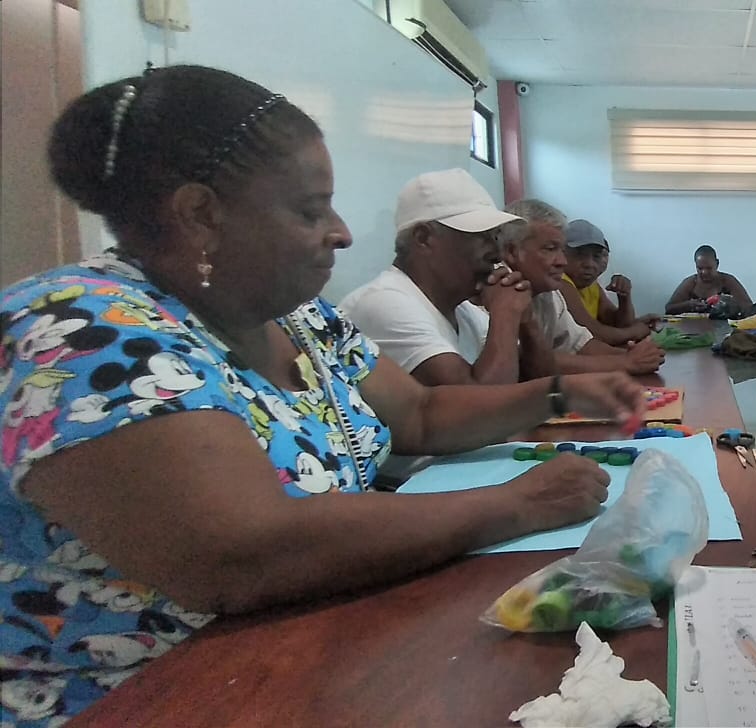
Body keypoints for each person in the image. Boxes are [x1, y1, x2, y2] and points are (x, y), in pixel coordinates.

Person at [0, 65, 646, 724]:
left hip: (311, 654)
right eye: (311, 210)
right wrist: (517, 502)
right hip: (143, 699)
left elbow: (421, 414)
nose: (341, 232)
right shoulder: (82, 330)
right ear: (200, 215)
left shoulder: (297, 316)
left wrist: (563, 394)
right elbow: (246, 555)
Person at [341, 169, 554, 387]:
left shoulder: (464, 312)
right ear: (423, 238)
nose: (497, 253)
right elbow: (478, 403)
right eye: (481, 236)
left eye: (496, 237)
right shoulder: (384, 303)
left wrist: (527, 322)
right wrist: (506, 313)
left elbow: (545, 387)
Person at [505, 199, 664, 375]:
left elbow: (581, 344)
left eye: (561, 250)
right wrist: (625, 361)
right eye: (550, 249)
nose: (562, 262)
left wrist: (633, 356)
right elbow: (527, 360)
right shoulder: (500, 290)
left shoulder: (548, 292)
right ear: (512, 251)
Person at [557, 219, 660, 346]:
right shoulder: (561, 283)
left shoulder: (592, 286)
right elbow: (594, 334)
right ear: (562, 254)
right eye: (580, 255)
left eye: (596, 256)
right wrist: (634, 332)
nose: (589, 264)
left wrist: (624, 296)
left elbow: (619, 324)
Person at [665, 245, 751, 315]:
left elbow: (749, 307)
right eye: (700, 268)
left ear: (717, 263)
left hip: (724, 328)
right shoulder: (691, 283)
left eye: (709, 268)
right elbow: (669, 308)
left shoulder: (727, 281)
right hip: (694, 328)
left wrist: (729, 305)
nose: (704, 272)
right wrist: (688, 305)